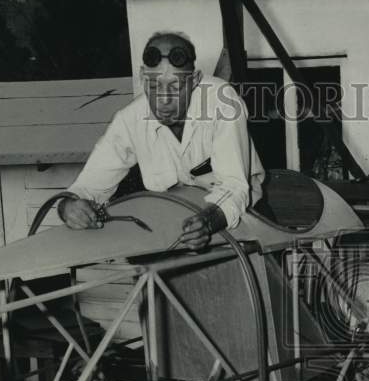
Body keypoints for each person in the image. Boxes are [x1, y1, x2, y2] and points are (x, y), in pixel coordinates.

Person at [60, 31, 265, 249]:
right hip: (178, 225)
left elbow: (235, 187)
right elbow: (88, 186)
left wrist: (207, 222)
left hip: (240, 215)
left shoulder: (222, 103)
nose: (164, 101)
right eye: (154, 86)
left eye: (176, 88)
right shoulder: (130, 119)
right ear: (142, 77)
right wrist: (69, 206)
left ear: (195, 80)